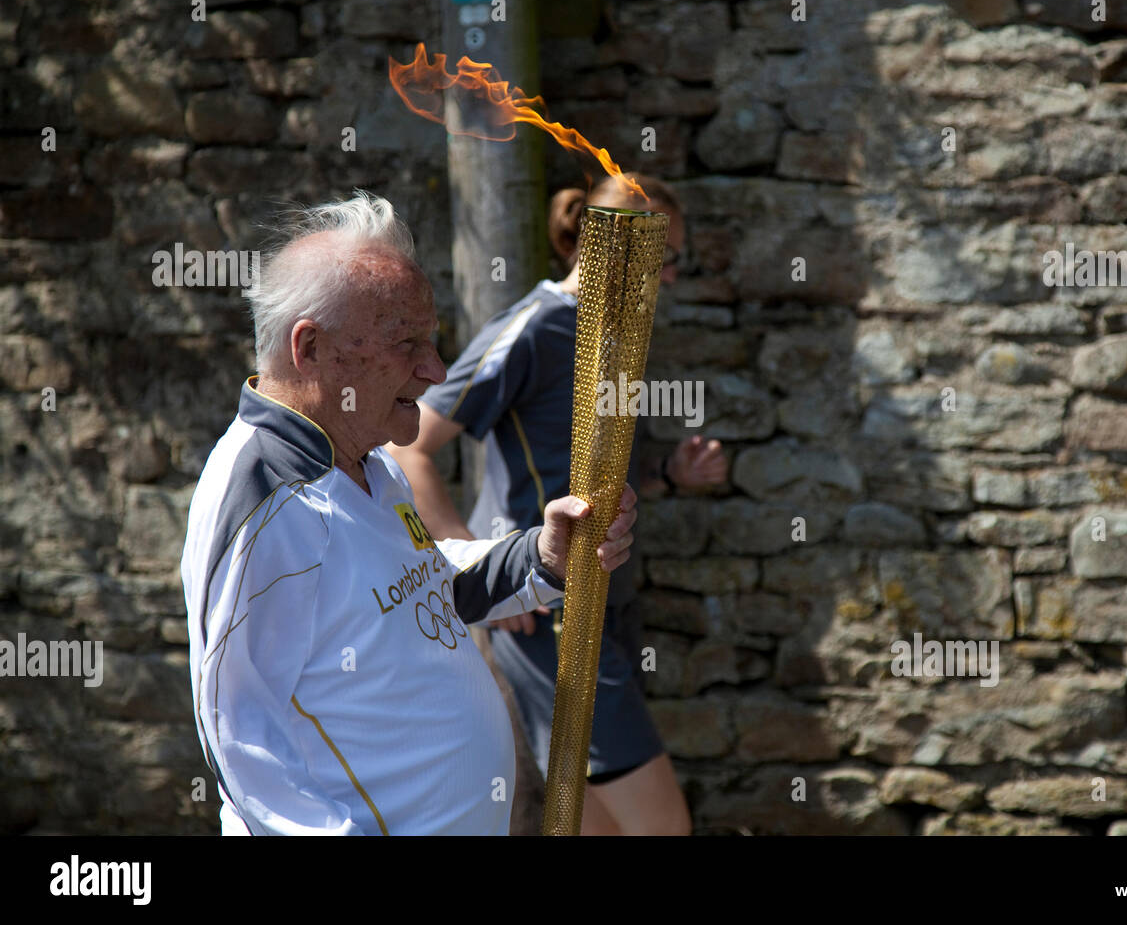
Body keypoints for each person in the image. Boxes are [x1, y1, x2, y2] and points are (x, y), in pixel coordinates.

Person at [180, 191, 637, 835]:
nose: (435, 369)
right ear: (309, 348)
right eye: (407, 343)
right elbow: (243, 738)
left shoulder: (368, 457)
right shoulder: (263, 495)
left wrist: (540, 557)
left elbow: (425, 586)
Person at [387, 175, 727, 835]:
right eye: (669, 258)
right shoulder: (537, 326)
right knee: (662, 826)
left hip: (609, 601)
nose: (674, 279)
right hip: (548, 616)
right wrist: (485, 568)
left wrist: (667, 471)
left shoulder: (615, 337)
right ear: (620, 247)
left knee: (588, 826)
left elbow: (588, 482)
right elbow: (413, 447)